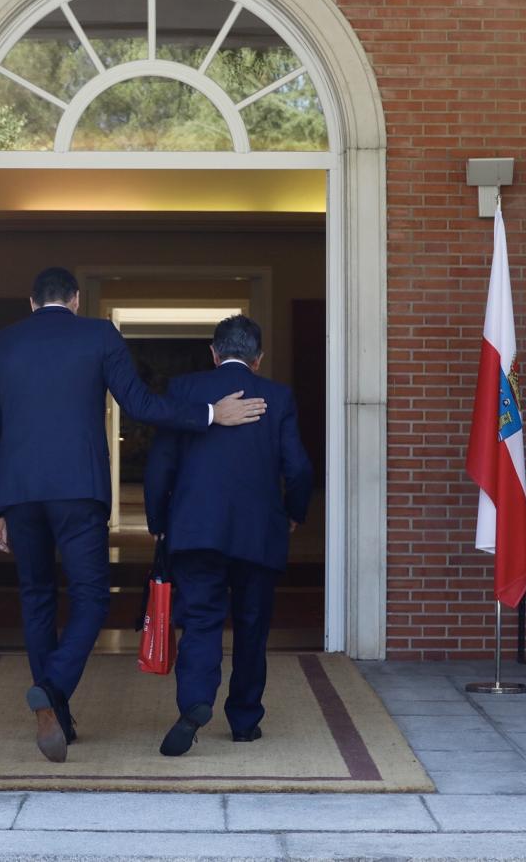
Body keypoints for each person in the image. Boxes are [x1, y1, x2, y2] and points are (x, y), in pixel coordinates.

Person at [0, 268, 268, 763]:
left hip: (19, 493)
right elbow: (141, 404)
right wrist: (211, 414)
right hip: (79, 491)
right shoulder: (97, 334)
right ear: (76, 299)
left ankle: (56, 710)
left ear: (30, 302)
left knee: (36, 596)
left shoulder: (0, 344)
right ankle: (54, 686)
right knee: (90, 597)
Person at [143, 314, 313, 756]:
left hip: (196, 531)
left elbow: (160, 465)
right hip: (258, 534)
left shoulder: (184, 391)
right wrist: (293, 513)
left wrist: (158, 522)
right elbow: (298, 468)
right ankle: (244, 722)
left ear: (214, 353)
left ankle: (195, 704)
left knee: (200, 621)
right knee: (252, 627)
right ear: (258, 360)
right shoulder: (276, 396)